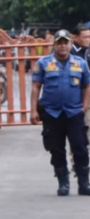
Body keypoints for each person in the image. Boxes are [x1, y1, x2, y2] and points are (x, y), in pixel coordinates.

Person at [31, 29, 90, 196]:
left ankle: (84, 183)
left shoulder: (80, 63)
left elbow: (87, 86)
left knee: (80, 147)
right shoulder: (44, 63)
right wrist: (33, 110)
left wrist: (84, 108)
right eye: (60, 43)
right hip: (52, 113)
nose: (63, 46)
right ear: (54, 45)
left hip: (74, 113)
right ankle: (63, 183)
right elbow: (36, 87)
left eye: (66, 42)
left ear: (71, 44)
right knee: (56, 149)